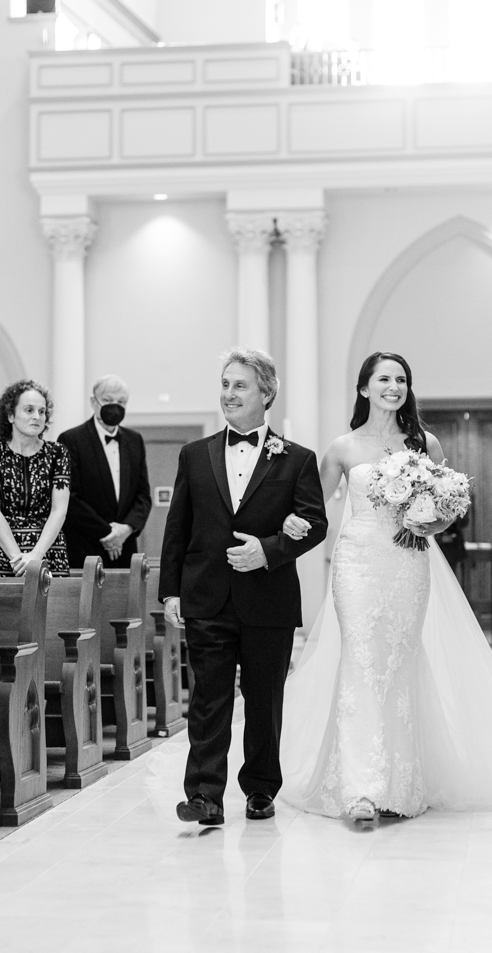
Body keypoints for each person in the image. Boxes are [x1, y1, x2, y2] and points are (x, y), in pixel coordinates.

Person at [278, 351, 492, 823]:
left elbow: (452, 504)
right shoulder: (341, 448)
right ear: (363, 388)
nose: (393, 387)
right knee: (360, 661)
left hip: (407, 564)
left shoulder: (423, 443)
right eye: (384, 379)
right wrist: (284, 525)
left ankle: (401, 778)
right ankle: (360, 787)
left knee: (398, 660)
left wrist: (426, 524)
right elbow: (311, 506)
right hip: (356, 564)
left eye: (401, 380)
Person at [158, 348, 328, 827]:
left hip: (268, 598)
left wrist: (269, 550)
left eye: (240, 386)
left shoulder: (297, 459)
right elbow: (178, 525)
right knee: (208, 701)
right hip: (207, 594)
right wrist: (170, 590)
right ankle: (204, 796)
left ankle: (259, 789)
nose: (228, 394)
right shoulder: (195, 454)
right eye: (225, 384)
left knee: (263, 700)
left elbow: (315, 524)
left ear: (266, 394)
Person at [58, 375, 151, 568]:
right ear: (94, 402)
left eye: (121, 402)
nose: (115, 406)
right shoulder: (71, 439)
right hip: (85, 547)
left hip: (125, 548)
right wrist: (107, 534)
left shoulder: (135, 441)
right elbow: (71, 498)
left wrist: (126, 529)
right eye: (108, 400)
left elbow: (142, 496)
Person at [0, 379, 70, 577]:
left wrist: (35, 556)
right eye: (29, 410)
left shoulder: (57, 452)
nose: (37, 417)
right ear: (11, 415)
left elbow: (59, 510)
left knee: (55, 608)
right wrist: (17, 558)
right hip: (4, 551)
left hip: (47, 552)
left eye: (42, 411)